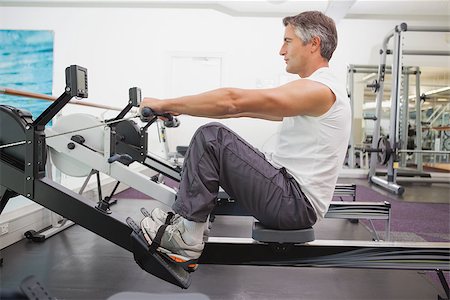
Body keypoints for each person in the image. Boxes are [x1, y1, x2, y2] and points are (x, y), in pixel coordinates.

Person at [140, 10, 351, 271]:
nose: (281, 51)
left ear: (314, 43)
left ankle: (186, 238)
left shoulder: (320, 89)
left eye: (288, 41)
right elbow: (241, 108)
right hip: (291, 198)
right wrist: (179, 108)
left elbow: (232, 102)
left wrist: (166, 103)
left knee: (212, 137)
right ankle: (187, 223)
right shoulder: (318, 89)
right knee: (219, 141)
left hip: (293, 204)